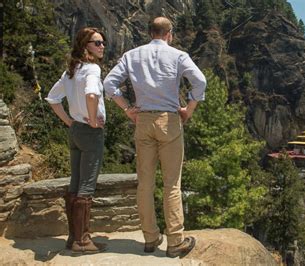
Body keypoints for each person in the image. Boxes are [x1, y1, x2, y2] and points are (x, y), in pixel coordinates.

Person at [104, 17, 206, 258]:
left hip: (143, 120)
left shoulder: (132, 55)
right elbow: (200, 81)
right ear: (169, 33)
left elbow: (109, 83)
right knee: (172, 184)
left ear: (150, 32)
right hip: (169, 120)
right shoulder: (178, 55)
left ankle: (150, 238)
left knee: (145, 183)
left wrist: (127, 108)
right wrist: (188, 110)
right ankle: (175, 242)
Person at [45, 27, 107, 254]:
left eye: (102, 42)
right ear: (85, 46)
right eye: (97, 43)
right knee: (86, 185)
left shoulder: (70, 72)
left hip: (75, 131)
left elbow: (53, 99)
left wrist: (70, 121)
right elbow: (92, 94)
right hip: (90, 133)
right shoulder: (91, 70)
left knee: (75, 182)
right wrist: (92, 120)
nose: (102, 46)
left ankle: (74, 238)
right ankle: (82, 241)